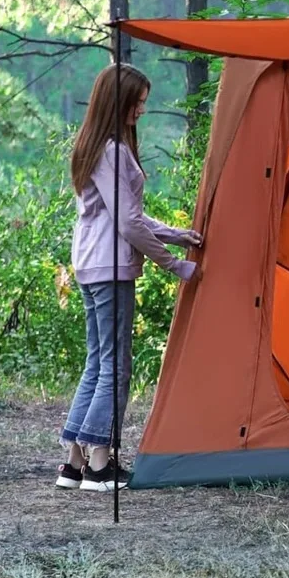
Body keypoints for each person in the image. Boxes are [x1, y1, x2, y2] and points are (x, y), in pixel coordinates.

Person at [57, 64, 202, 492]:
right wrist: (175, 264)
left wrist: (178, 236)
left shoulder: (94, 145)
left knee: (98, 362)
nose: (142, 108)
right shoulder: (113, 150)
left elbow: (127, 215)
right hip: (110, 267)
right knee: (116, 367)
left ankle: (74, 462)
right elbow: (128, 224)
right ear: (116, 100)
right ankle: (100, 465)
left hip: (91, 264)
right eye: (136, 100)